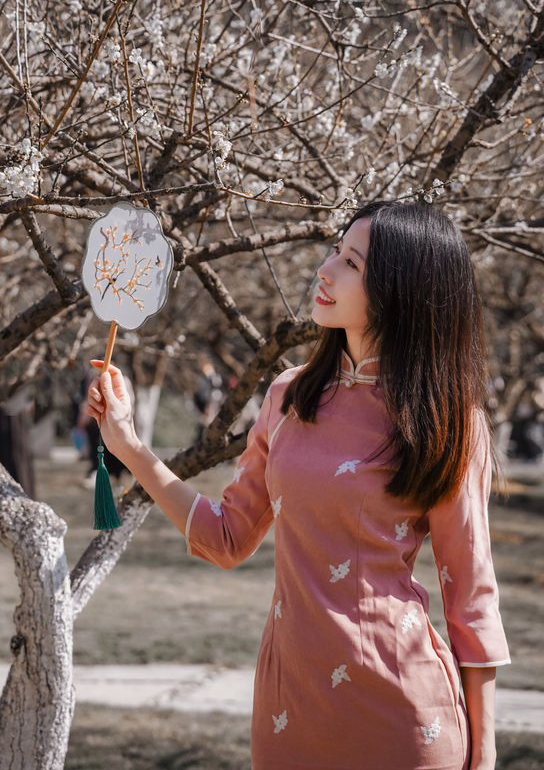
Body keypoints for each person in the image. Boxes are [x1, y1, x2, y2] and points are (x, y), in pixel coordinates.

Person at [87, 200, 510, 770]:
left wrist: (483, 757)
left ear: (400, 290)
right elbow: (226, 538)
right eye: (335, 252)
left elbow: (471, 598)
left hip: (403, 716)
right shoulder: (289, 396)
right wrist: (129, 446)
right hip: (289, 711)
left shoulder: (449, 420)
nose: (325, 270)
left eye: (352, 264)